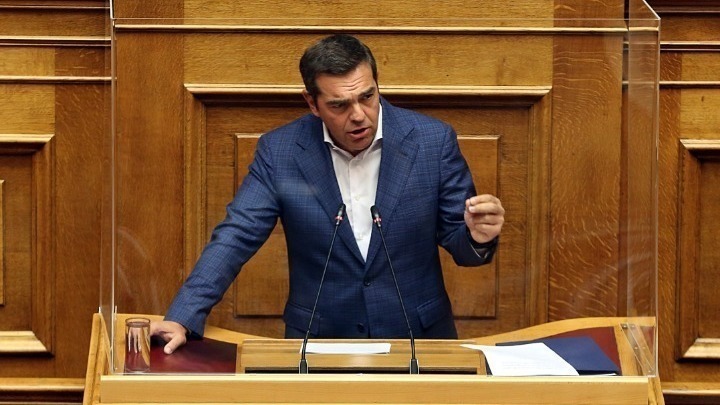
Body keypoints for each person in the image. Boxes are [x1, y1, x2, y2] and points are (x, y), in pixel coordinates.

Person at [150, 34, 505, 354]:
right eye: (339, 105)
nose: (359, 115)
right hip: (320, 343)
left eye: (367, 97)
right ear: (312, 102)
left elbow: (463, 246)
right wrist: (183, 316)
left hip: (419, 340)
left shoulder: (431, 141)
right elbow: (237, 234)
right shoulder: (281, 151)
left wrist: (478, 236)